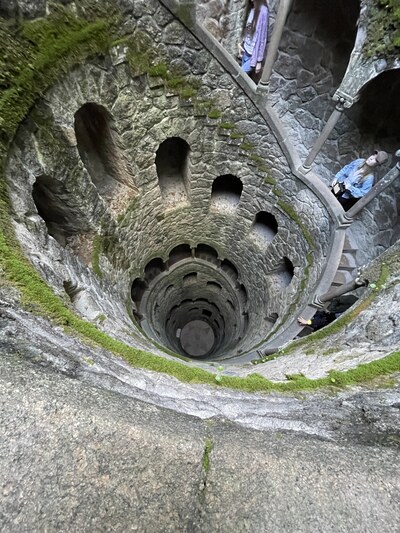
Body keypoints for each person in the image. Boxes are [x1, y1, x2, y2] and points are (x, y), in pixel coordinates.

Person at [238, 1, 269, 79]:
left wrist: (259, 61)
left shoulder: (263, 11)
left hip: (253, 55)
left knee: (239, 76)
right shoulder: (251, 8)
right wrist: (241, 44)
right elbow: (247, 29)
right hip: (245, 50)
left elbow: (263, 37)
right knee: (243, 80)